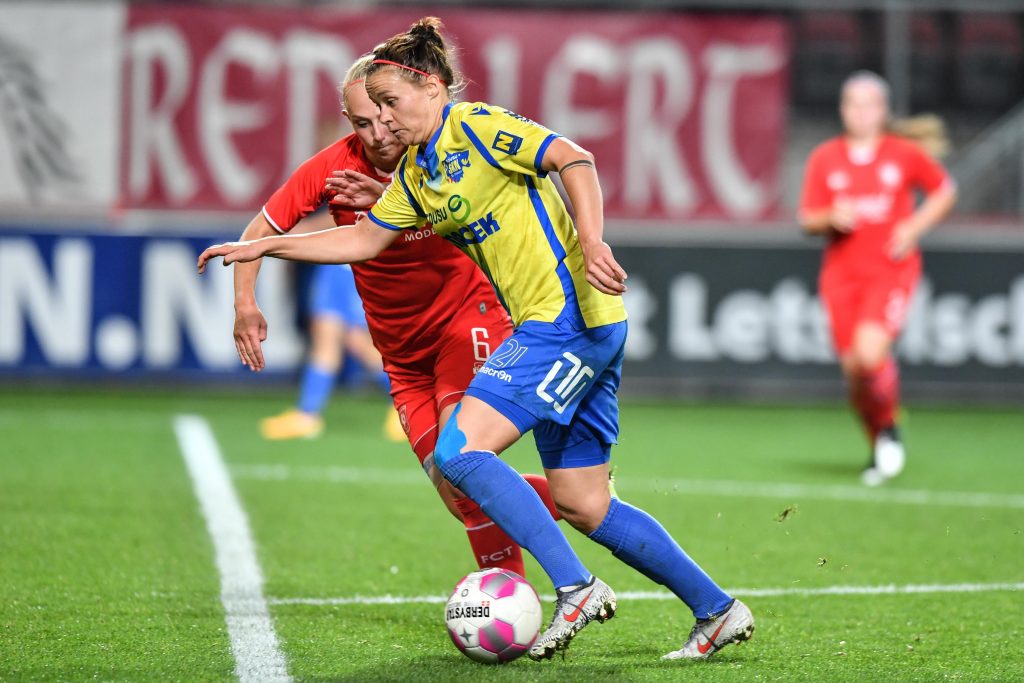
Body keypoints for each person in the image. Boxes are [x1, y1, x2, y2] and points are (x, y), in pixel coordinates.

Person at [199, 18, 754, 662]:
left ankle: (574, 586)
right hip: (563, 328)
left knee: (459, 453)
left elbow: (574, 157)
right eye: (369, 111)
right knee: (582, 502)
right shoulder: (418, 176)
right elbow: (361, 240)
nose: (381, 122)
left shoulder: (477, 126)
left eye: (390, 103)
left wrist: (593, 239)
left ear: (432, 88)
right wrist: (265, 245)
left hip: (567, 318)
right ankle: (716, 609)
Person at [229, 54, 559, 580]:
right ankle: (569, 505)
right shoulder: (331, 168)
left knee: (463, 459)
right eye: (362, 121)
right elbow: (258, 232)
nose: (378, 131)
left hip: (466, 319)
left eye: (384, 113)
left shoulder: (440, 153)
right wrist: (246, 304)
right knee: (455, 491)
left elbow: (474, 212)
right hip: (402, 352)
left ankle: (516, 583)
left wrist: (386, 197)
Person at [799, 71, 957, 486]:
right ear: (843, 109)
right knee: (855, 374)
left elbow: (944, 189)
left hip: (890, 270)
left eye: (869, 104)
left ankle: (888, 429)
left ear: (882, 111)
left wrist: (913, 228)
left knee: (870, 355)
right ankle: (881, 440)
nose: (861, 112)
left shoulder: (902, 153)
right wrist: (830, 217)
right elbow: (807, 218)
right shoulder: (826, 157)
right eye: (853, 103)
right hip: (841, 277)